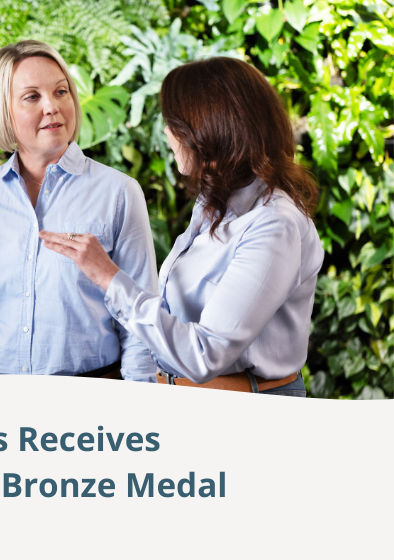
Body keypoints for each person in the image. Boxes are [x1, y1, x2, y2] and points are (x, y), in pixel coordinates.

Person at [40, 57, 324, 396]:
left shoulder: (275, 225)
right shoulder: (214, 205)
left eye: (174, 123)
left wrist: (108, 277)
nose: (166, 132)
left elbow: (204, 354)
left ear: (210, 130)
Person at [0, 41, 158, 379]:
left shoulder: (119, 193)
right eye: (32, 97)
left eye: (61, 92)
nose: (52, 107)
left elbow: (139, 320)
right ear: (3, 109)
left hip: (92, 400)